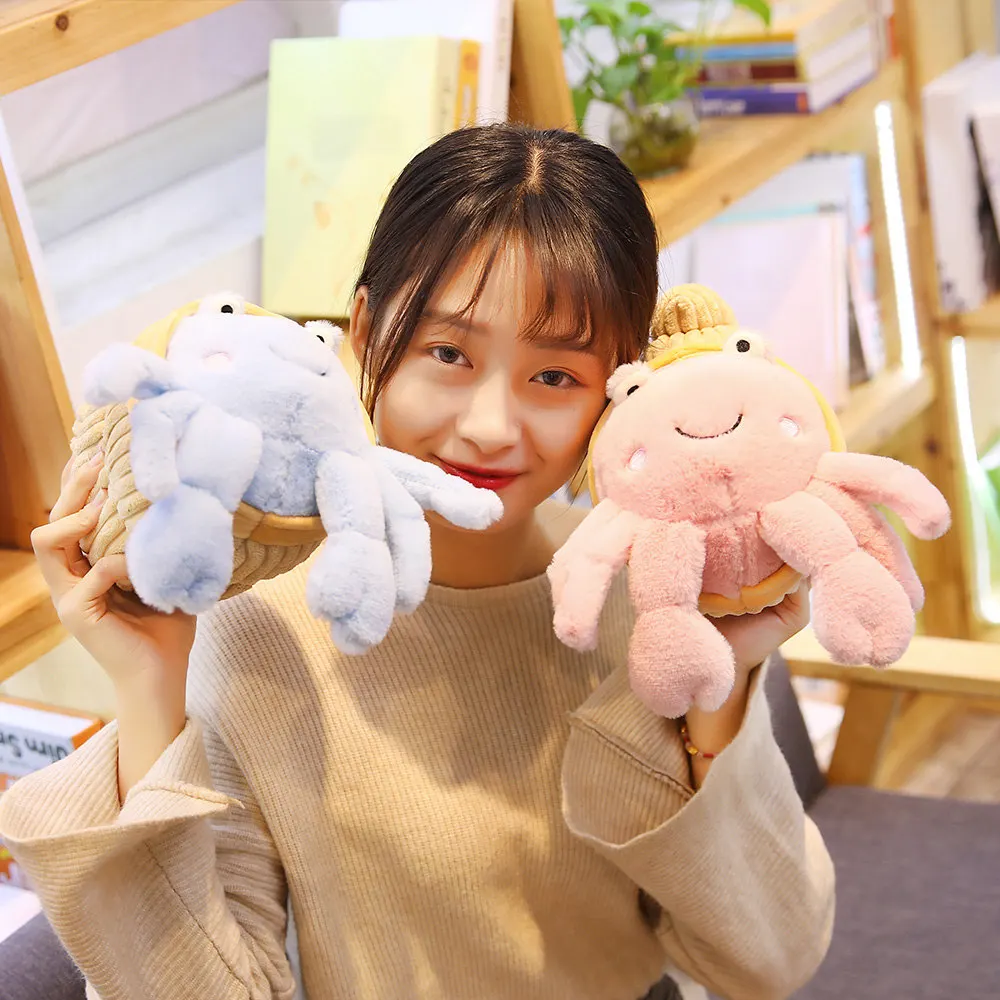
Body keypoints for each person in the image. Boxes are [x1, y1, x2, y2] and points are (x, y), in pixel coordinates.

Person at [0, 124, 834, 1000]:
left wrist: (717, 693)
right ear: (365, 331)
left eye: (555, 376)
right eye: (448, 354)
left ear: (621, 383)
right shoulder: (258, 635)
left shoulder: (643, 598)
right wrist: (147, 684)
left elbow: (768, 960)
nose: (489, 426)